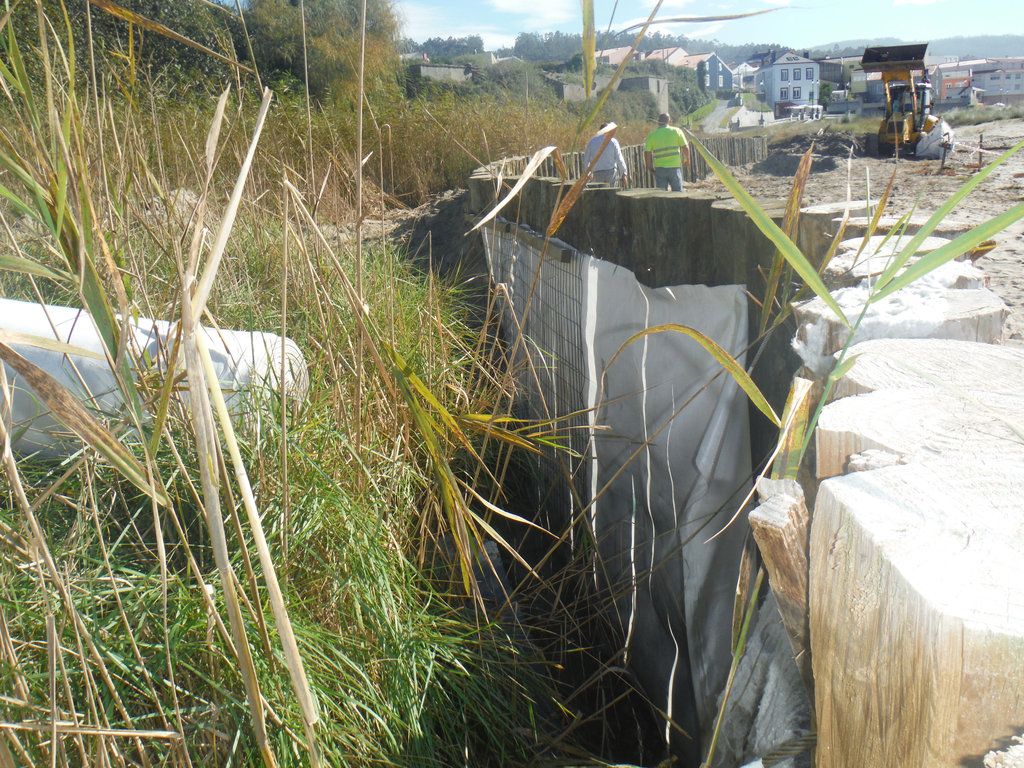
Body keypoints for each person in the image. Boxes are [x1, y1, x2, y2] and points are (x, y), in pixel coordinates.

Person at [644, 112, 690, 192]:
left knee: (661, 194)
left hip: (660, 168)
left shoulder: (652, 135)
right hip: (674, 167)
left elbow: (647, 152)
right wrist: (687, 160)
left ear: (658, 121)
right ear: (669, 121)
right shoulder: (677, 131)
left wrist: (649, 166)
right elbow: (685, 147)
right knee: (678, 193)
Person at [583, 123, 629, 188]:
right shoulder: (613, 141)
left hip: (597, 174)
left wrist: (588, 173)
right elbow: (619, 159)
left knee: (599, 196)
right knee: (612, 195)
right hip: (611, 174)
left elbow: (586, 160)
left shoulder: (591, 142)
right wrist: (624, 173)